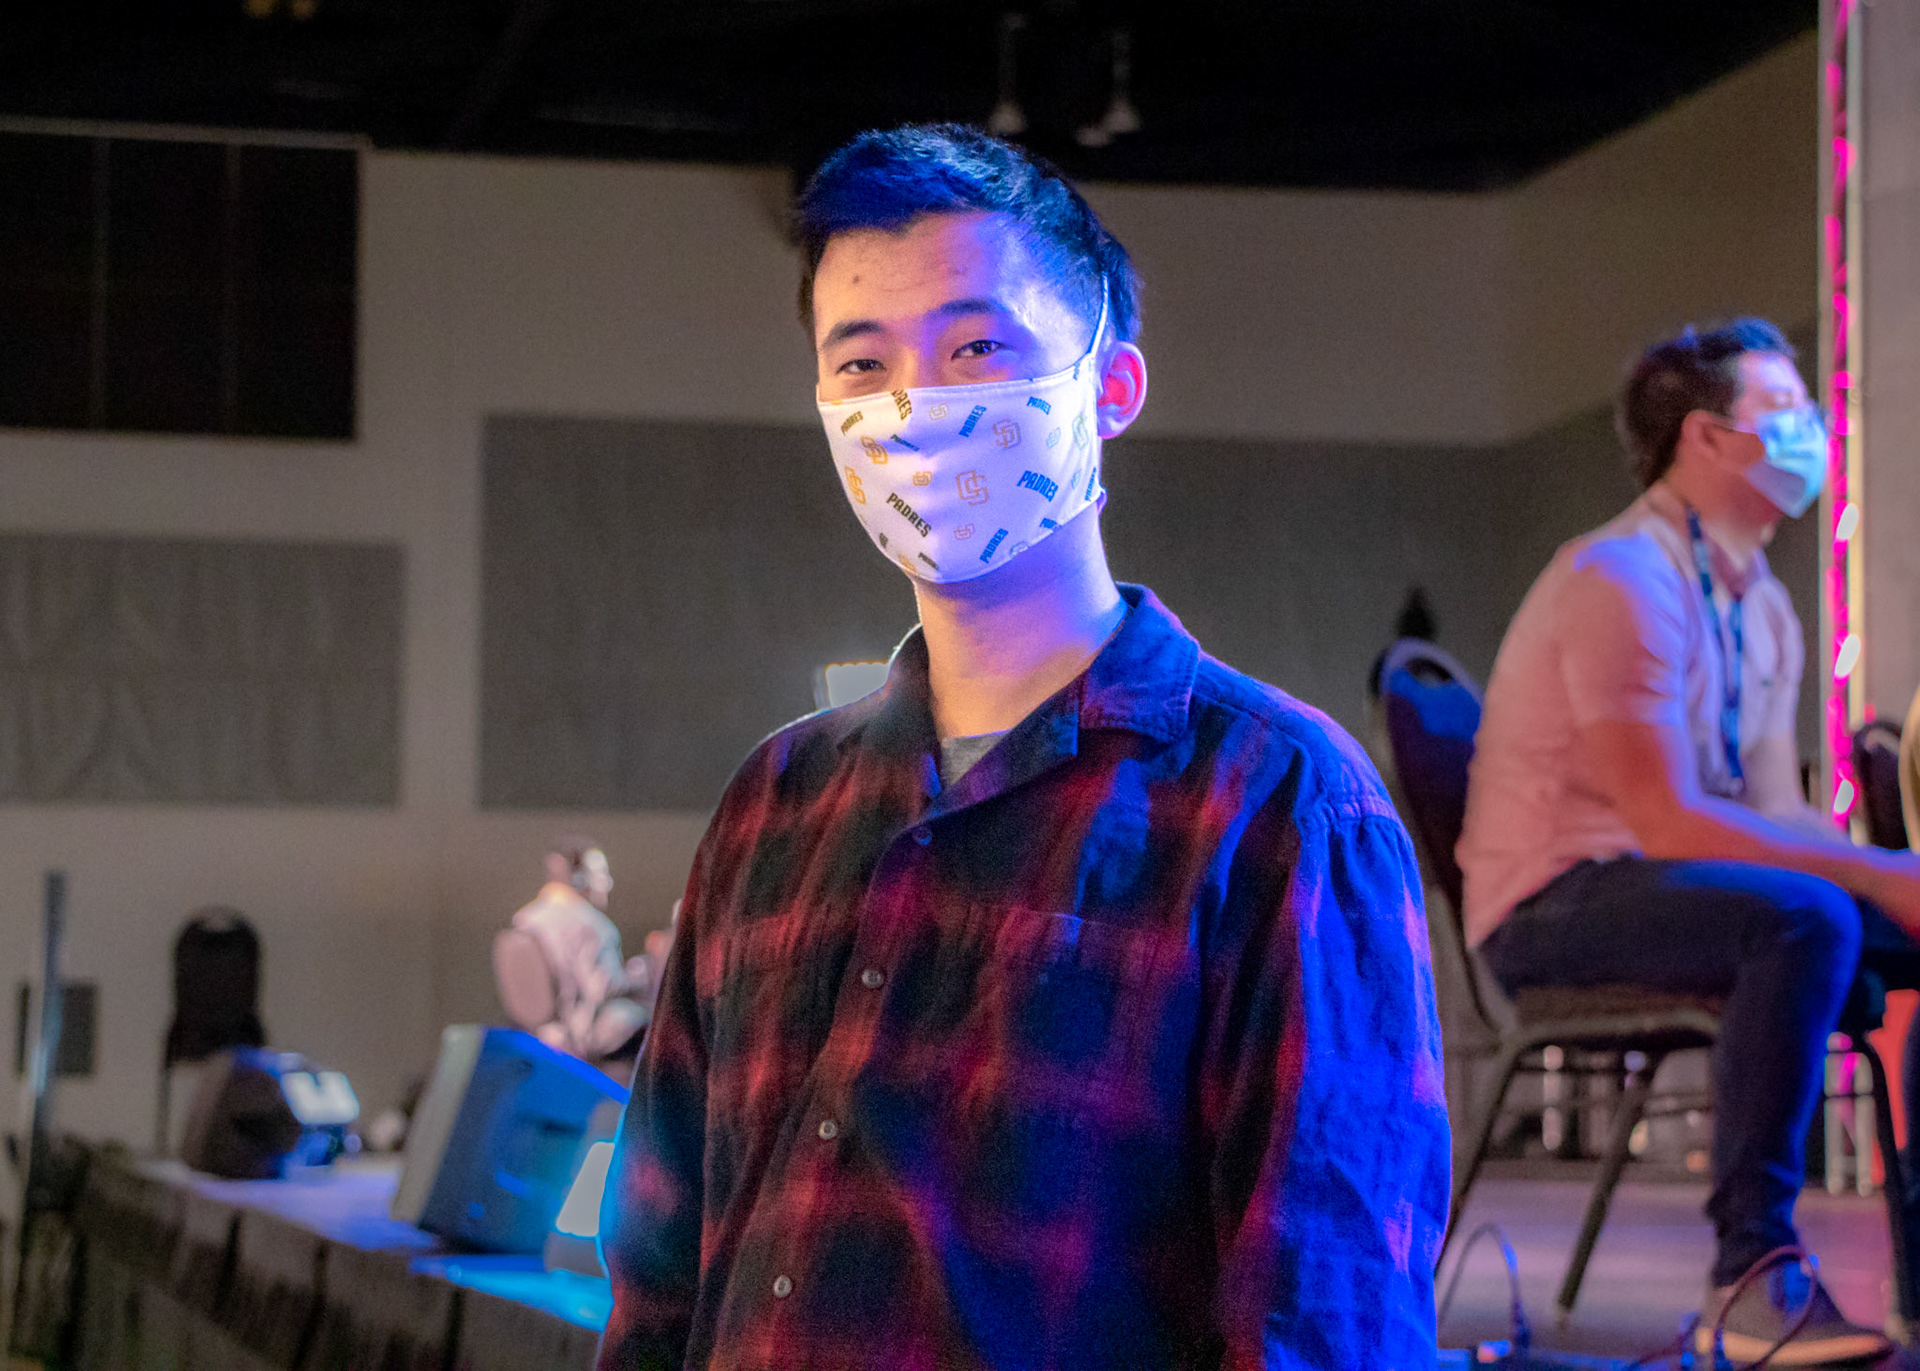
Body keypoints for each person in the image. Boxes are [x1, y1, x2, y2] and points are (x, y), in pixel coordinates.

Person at [596, 124, 1449, 1369]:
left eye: (978, 348)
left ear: (1110, 387)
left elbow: (1327, 1320)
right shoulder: (777, 800)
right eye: (861, 361)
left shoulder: (1278, 805)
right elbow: (660, 1270)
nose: (915, 404)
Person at [1457, 318, 1920, 1364]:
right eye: (1785, 409)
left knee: (1850, 913)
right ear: (1706, 439)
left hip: (1668, 884)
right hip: (1553, 903)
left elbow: (1778, 811)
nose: (1812, 429)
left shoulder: (1764, 606)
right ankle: (1750, 1273)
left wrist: (1889, 886)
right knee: (1805, 917)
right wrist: (1880, 872)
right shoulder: (1622, 577)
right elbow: (1666, 818)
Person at [497, 836, 651, 1065]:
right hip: (578, 1041)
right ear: (580, 879)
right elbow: (601, 989)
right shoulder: (591, 925)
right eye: (601, 875)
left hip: (537, 1038)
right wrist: (642, 976)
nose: (608, 883)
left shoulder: (524, 919)